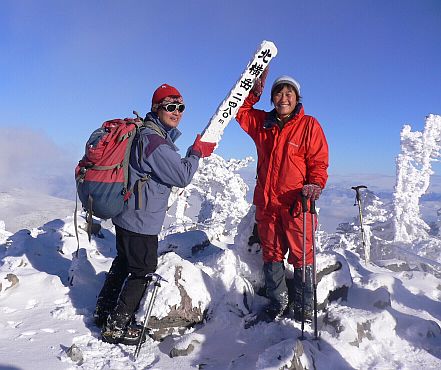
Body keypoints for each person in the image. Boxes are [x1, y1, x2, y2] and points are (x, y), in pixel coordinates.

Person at [94, 83, 216, 344]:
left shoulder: (146, 134)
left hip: (126, 214)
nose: (177, 112)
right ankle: (115, 327)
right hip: (141, 220)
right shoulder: (154, 141)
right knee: (142, 271)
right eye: (170, 106)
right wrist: (196, 153)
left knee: (124, 262)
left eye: (180, 107)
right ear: (156, 108)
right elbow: (182, 175)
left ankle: (103, 312)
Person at [236, 70, 329, 325]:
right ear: (272, 98)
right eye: (278, 92)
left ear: (297, 98)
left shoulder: (309, 125)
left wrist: (314, 184)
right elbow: (239, 110)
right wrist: (254, 92)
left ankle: (304, 305)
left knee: (302, 255)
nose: (284, 97)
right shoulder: (263, 124)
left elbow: (319, 163)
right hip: (267, 204)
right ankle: (279, 302)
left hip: (297, 204)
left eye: (289, 93)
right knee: (272, 254)